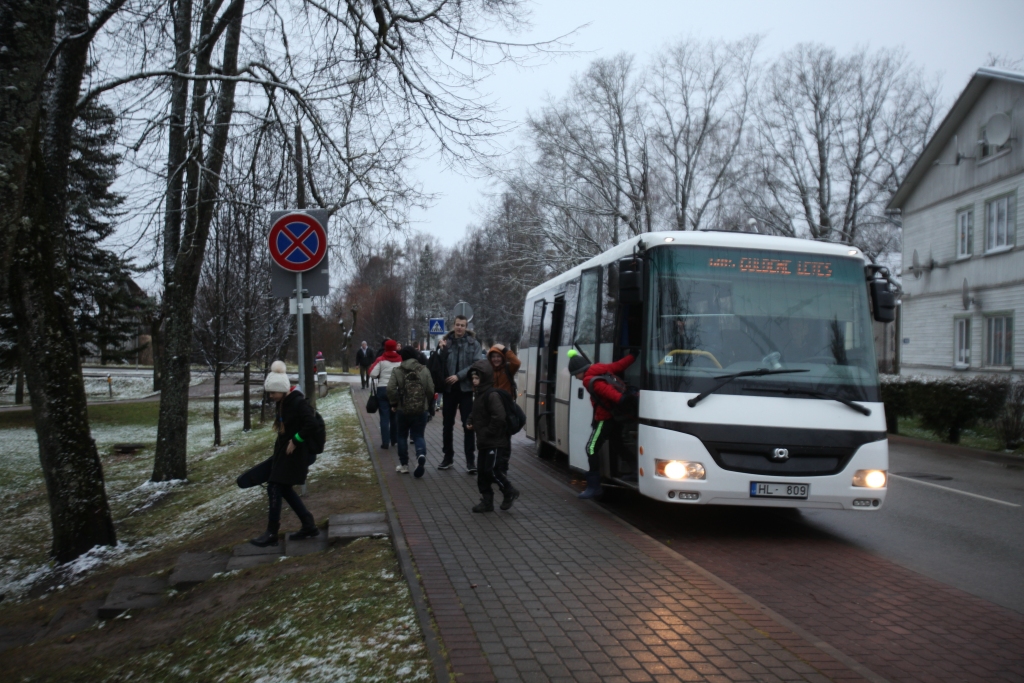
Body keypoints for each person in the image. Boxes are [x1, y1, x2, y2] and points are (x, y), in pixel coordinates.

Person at [250, 361, 320, 547]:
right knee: (283, 488)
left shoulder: (297, 402)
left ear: (282, 389)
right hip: (286, 453)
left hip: (296, 453)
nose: (271, 396)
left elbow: (310, 424)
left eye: (273, 392)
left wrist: (296, 440)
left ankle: (272, 532)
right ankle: (308, 524)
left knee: (274, 487)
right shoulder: (284, 402)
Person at [568, 349, 637, 500]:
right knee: (617, 444)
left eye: (575, 375)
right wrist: (633, 355)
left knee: (591, 448)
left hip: (604, 418)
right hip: (615, 417)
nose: (577, 379)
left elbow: (604, 390)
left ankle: (594, 486)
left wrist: (619, 398)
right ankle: (635, 470)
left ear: (580, 371)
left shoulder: (588, 379)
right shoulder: (599, 368)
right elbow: (618, 366)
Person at [466, 359, 519, 512]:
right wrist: (470, 421)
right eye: (473, 378)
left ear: (484, 378)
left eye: (477, 378)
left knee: (492, 470)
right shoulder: (479, 395)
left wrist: (487, 431)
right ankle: (487, 500)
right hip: (484, 440)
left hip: (494, 441)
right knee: (482, 473)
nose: (474, 381)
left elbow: (499, 417)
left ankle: (509, 491)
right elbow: (476, 412)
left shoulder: (491, 395)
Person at [436, 315, 485, 473]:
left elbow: (476, 364)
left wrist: (459, 375)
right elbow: (439, 363)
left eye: (462, 325)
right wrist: (440, 348)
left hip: (465, 389)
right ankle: (447, 458)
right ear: (453, 325)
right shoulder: (446, 342)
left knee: (468, 425)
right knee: (447, 425)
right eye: (457, 325)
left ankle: (470, 461)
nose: (459, 328)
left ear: (466, 327)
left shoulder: (473, 344)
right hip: (449, 390)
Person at [388, 346, 434, 477]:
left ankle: (404, 465)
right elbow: (431, 389)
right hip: (421, 409)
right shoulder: (424, 369)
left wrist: (394, 403)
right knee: (419, 435)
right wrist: (426, 401)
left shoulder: (397, 370)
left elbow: (390, 389)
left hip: (403, 409)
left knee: (402, 435)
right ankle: (420, 454)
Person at [369, 339, 402, 449]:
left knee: (384, 417)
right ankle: (394, 440)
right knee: (394, 416)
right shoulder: (400, 359)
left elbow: (372, 373)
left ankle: (385, 442)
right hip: (395, 390)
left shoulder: (381, 359)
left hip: (382, 389)